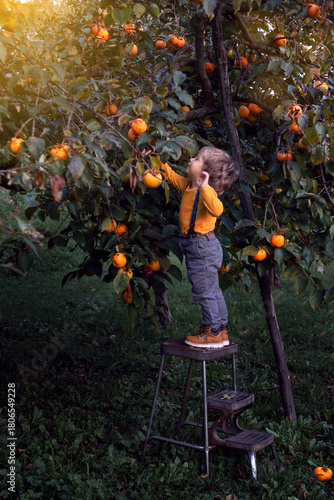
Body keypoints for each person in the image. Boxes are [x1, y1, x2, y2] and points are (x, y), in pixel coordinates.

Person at [160, 146, 239, 348]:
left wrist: (205, 187)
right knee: (212, 289)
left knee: (204, 291)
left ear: (205, 173)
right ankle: (220, 329)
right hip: (200, 245)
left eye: (196, 158)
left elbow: (217, 209)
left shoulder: (207, 192)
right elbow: (169, 175)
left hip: (201, 246)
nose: (190, 159)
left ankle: (212, 330)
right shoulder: (189, 185)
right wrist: (154, 160)